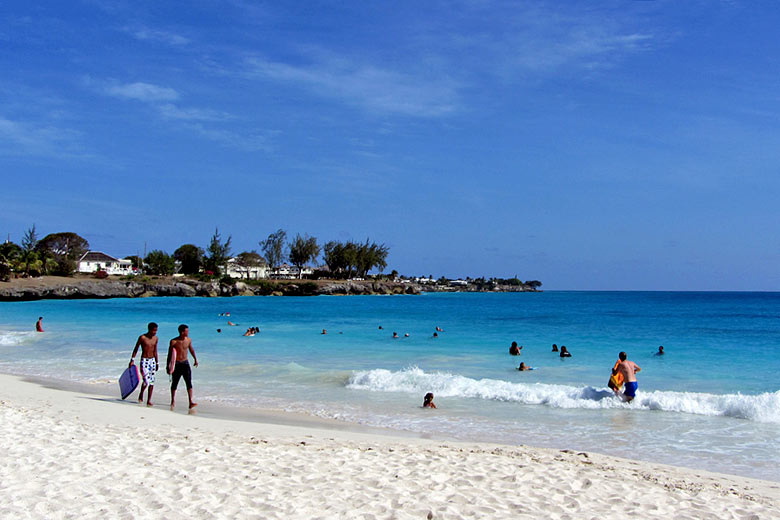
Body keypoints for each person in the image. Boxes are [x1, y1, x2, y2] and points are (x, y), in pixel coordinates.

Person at [168, 324, 199, 410]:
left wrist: (195, 359)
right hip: (177, 364)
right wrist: (168, 366)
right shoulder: (173, 341)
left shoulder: (188, 340)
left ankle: (190, 402)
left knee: (188, 382)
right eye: (186, 331)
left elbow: (191, 349)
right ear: (182, 332)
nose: (188, 332)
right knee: (175, 383)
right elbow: (169, 354)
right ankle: (172, 401)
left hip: (185, 363)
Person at [129, 322, 159, 406]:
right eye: (153, 330)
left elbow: (155, 351)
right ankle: (141, 393)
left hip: (152, 360)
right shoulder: (142, 337)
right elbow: (136, 349)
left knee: (152, 382)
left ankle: (149, 400)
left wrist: (157, 362)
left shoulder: (156, 338)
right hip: (144, 360)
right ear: (149, 329)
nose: (155, 332)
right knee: (146, 381)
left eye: (156, 330)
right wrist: (132, 360)